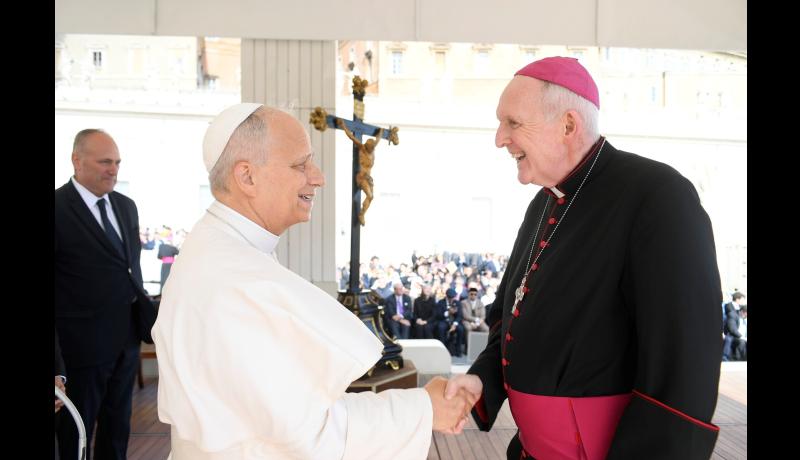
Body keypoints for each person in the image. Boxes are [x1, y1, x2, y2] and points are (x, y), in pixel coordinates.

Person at [152, 104, 474, 459]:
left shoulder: (221, 249)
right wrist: (424, 409)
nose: (318, 177)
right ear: (247, 177)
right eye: (300, 165)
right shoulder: (235, 279)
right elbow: (307, 437)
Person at [444, 57, 723, 459]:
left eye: (513, 123)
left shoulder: (657, 196)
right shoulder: (543, 203)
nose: (500, 139)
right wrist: (481, 381)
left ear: (568, 125)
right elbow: (510, 315)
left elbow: (682, 368)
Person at [55, 129, 156, 460]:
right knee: (75, 435)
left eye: (117, 162)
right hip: (80, 350)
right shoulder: (58, 208)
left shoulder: (126, 207)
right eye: (104, 162)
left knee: (117, 430)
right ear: (77, 160)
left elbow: (129, 269)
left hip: (126, 340)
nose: (113, 170)